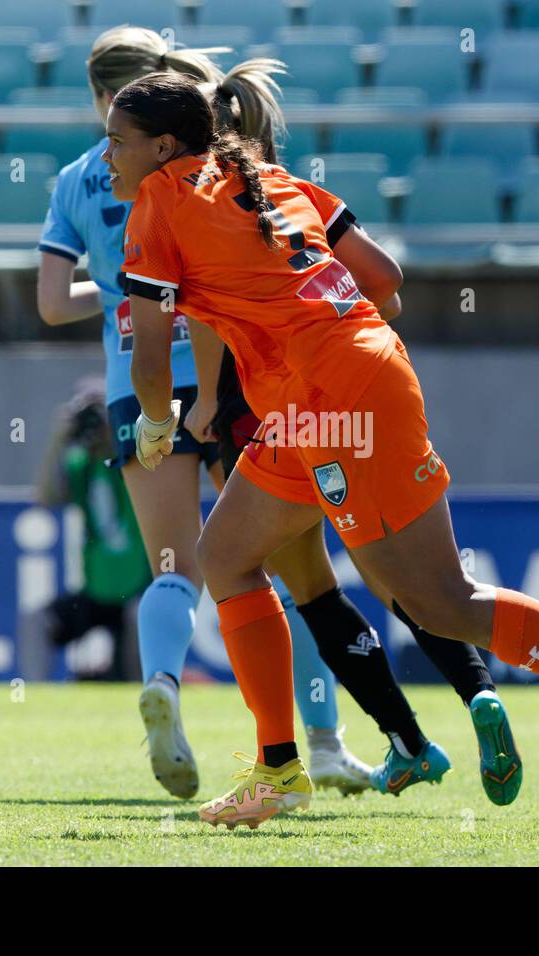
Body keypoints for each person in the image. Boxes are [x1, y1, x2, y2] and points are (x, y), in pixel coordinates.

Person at [111, 71, 539, 830]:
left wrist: (157, 422)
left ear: (163, 146)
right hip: (334, 386)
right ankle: (278, 769)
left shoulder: (159, 197)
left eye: (117, 140)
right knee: (228, 556)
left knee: (439, 604)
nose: (108, 156)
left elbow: (150, 352)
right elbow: (384, 282)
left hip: (330, 401)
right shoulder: (267, 178)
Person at [36, 26, 373, 798]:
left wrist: (127, 290)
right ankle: (320, 743)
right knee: (298, 575)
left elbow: (54, 304)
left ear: (101, 97)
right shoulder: (219, 166)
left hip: (138, 382)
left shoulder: (77, 178)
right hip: (235, 377)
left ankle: (161, 683)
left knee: (172, 569)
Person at [19, 379, 149, 682]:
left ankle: (144, 695)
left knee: (139, 617)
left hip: (136, 588)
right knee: (35, 621)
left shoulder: (134, 459)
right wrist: (58, 440)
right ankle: (33, 698)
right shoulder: (81, 466)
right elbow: (44, 497)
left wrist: (116, 430)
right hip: (96, 591)